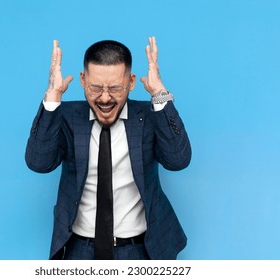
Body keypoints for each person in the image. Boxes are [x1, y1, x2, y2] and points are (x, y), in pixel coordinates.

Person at [25, 37, 191, 260]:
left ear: (131, 82)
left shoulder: (150, 117)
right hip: (80, 250)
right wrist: (53, 97)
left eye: (114, 88)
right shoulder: (67, 117)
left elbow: (178, 160)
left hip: (140, 250)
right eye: (95, 87)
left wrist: (159, 93)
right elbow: (39, 163)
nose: (104, 98)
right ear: (83, 80)